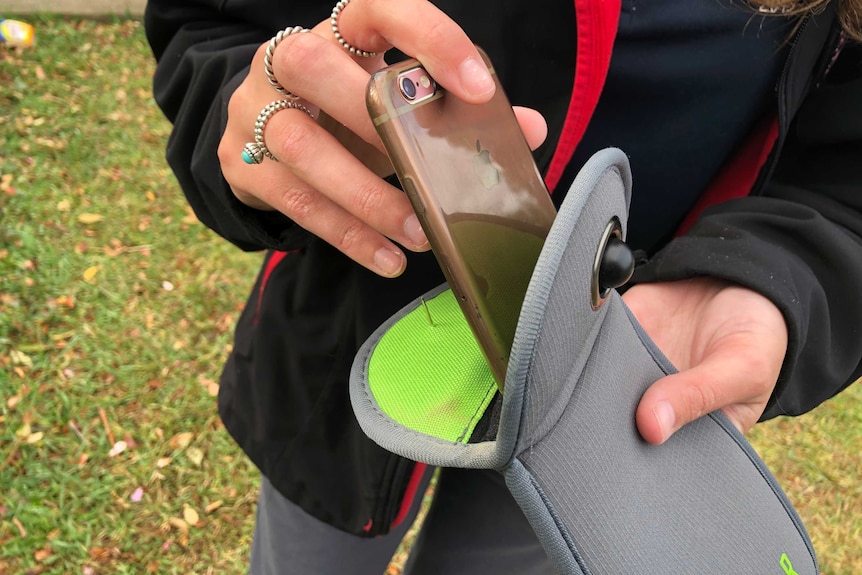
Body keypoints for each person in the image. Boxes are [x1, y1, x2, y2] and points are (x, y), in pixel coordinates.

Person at [144, 0, 862, 572]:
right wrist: (252, 113)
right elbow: (209, 30)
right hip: (355, 349)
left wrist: (776, 276)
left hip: (605, 379)